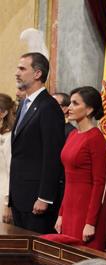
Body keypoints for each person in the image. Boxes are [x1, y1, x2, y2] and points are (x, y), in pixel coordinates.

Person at [9, 52, 65, 233]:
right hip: (19, 197)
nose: (17, 73)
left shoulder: (48, 106)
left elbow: (52, 155)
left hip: (36, 200)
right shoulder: (24, 104)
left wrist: (45, 197)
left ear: (37, 74)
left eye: (22, 68)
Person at [55, 86, 106, 250]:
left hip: (85, 209)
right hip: (69, 206)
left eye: (75, 103)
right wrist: (61, 214)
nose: (69, 108)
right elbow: (68, 179)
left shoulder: (96, 138)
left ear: (89, 109)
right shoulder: (72, 135)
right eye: (70, 103)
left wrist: (90, 222)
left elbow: (99, 183)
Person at [0, 93, 15, 224]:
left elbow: (11, 170)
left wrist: (7, 203)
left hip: (2, 194)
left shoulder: (9, 137)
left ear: (3, 113)